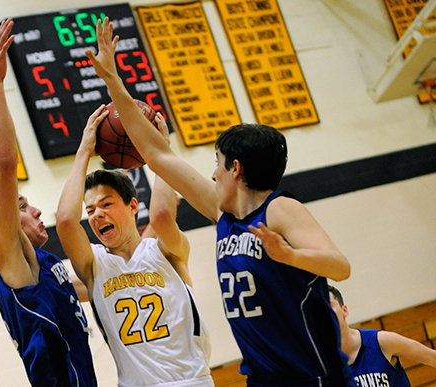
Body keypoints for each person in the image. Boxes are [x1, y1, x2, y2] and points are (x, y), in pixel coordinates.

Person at [86, 17, 355, 387]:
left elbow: (340, 267)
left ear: (236, 168)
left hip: (311, 377)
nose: (213, 174)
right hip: (262, 377)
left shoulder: (279, 209)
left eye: (218, 164)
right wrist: (113, 80)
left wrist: (291, 256)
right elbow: (153, 154)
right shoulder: (223, 211)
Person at [0, 18, 96, 387]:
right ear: (2, 226)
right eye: (21, 207)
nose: (36, 210)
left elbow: (88, 290)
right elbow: (5, 163)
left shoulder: (46, 264)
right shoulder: (10, 258)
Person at [55, 104, 213, 386]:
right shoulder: (94, 264)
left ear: (132, 207)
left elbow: (163, 215)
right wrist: (83, 152)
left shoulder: (165, 251)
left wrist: (161, 149)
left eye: (106, 204)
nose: (97, 214)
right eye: (90, 210)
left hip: (189, 382)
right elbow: (66, 221)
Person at [329, 285, 436, 387]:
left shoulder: (381, 341)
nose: (325, 313)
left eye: (329, 305)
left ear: (345, 310)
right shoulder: (320, 364)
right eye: (319, 311)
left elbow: (432, 357)